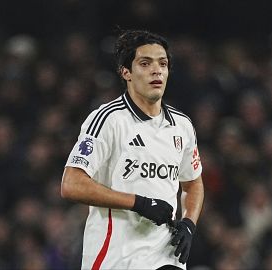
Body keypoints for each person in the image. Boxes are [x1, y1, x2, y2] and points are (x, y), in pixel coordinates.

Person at [61, 29, 204, 270]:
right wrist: (138, 202)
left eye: (163, 63)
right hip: (117, 258)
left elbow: (193, 183)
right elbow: (71, 184)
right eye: (145, 63)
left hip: (165, 257)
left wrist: (189, 223)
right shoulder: (108, 119)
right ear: (126, 72)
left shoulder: (182, 125)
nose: (156, 70)